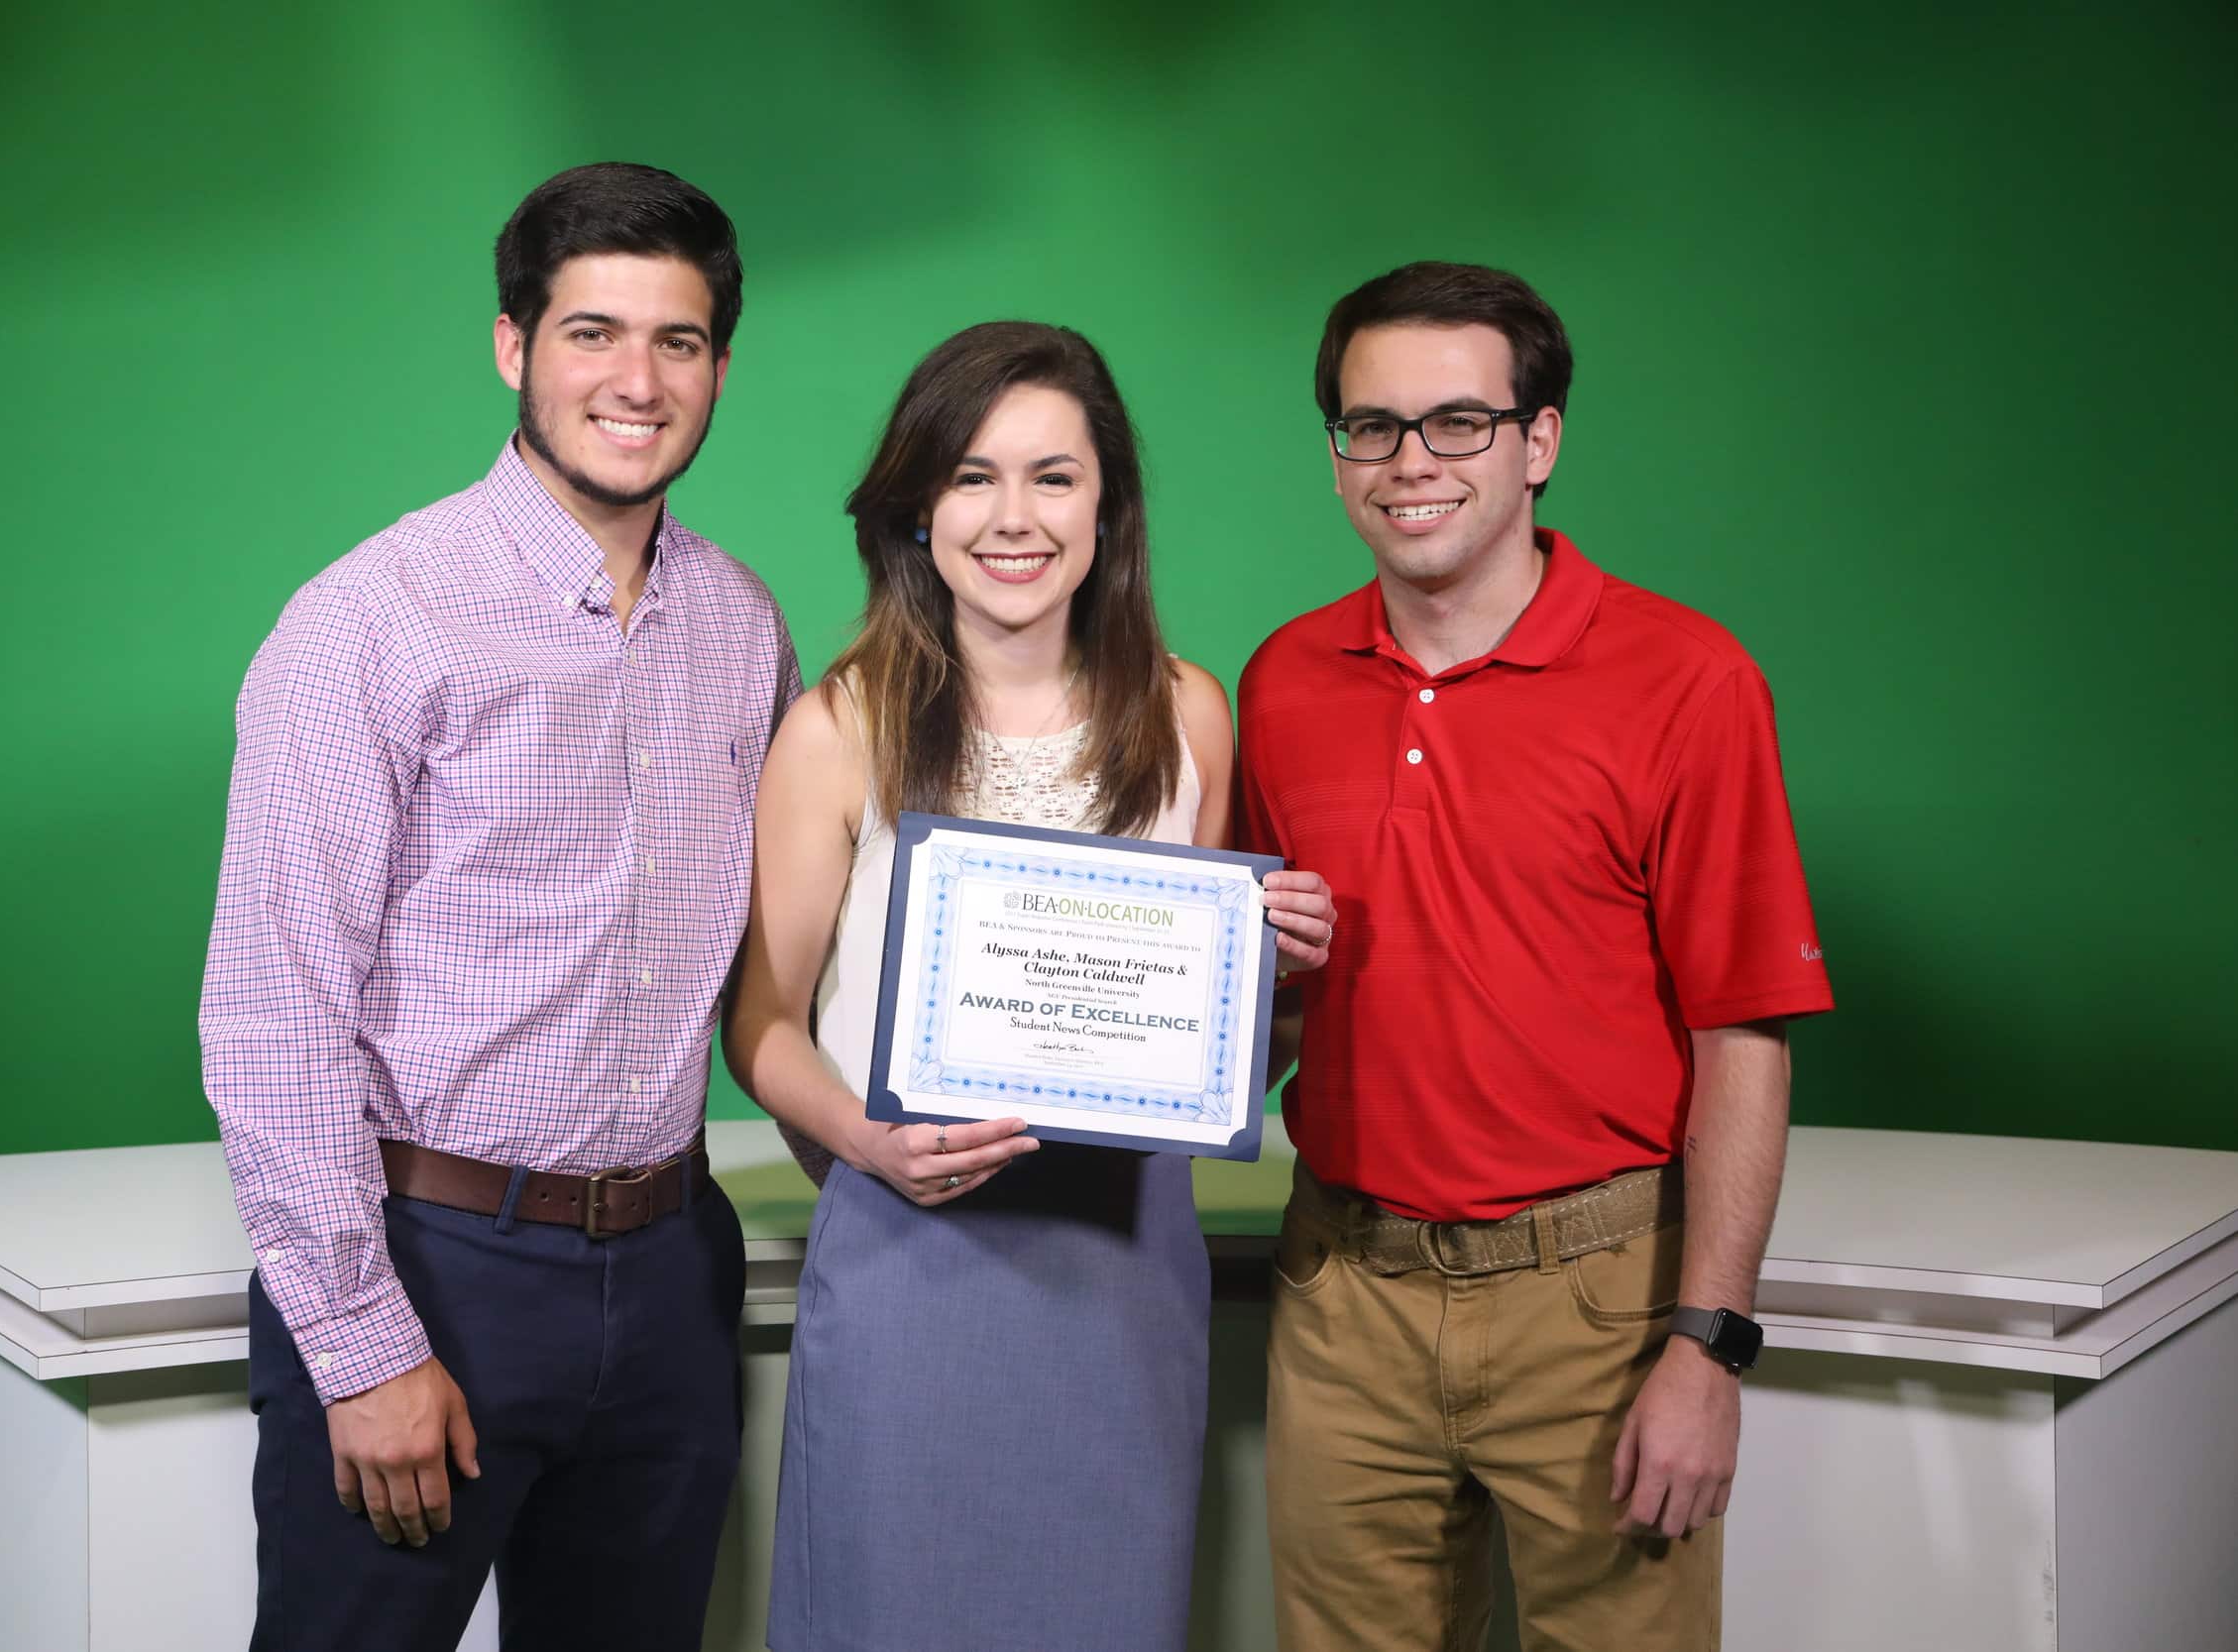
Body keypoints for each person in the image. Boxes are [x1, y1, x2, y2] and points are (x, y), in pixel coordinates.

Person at [199, 162, 799, 1652]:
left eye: (678, 340)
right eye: (592, 332)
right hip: (431, 1262)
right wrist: (356, 1346)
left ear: (721, 363)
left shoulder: (740, 621)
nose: (638, 380)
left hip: (669, 1268)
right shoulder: (369, 621)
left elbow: (801, 933)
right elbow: (277, 1015)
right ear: (512, 347)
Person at [1239, 262, 1836, 1652]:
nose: (1410, 464)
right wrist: (1238, 991)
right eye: (1370, 427)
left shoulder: (1687, 678)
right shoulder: (1282, 679)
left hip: (1598, 1300)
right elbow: (1271, 1016)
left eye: (1457, 422)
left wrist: (1708, 1343)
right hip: (1344, 1293)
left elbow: (1742, 1031)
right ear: (1337, 454)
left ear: (1539, 442)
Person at [724, 320, 1336, 1652]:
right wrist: (865, 1145)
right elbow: (761, 1022)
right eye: (972, 476)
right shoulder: (838, 730)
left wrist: (1278, 972)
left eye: (1053, 476)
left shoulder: (1189, 716)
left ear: (1107, 503)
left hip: (1125, 1268)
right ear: (914, 508)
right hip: (907, 1256)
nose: (1015, 517)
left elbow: (1221, 1051)